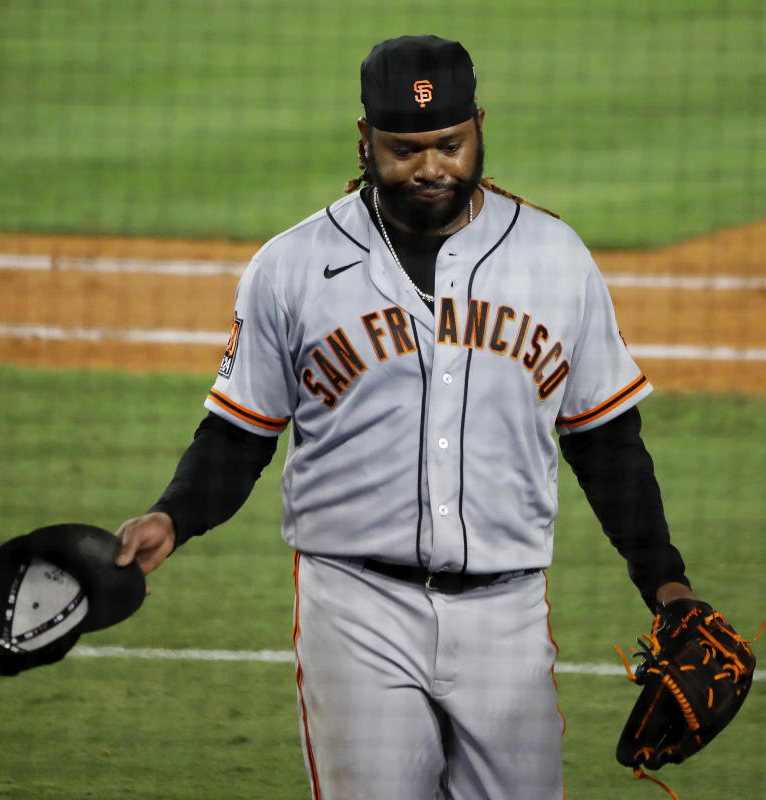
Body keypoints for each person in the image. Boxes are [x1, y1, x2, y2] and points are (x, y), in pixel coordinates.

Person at [115, 34, 699, 800]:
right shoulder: (290, 268)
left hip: (508, 617)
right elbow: (240, 432)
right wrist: (173, 516)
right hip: (357, 611)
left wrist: (668, 585)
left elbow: (606, 443)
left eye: (450, 145)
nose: (430, 167)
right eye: (404, 149)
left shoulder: (556, 259)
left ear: (479, 127)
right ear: (365, 141)